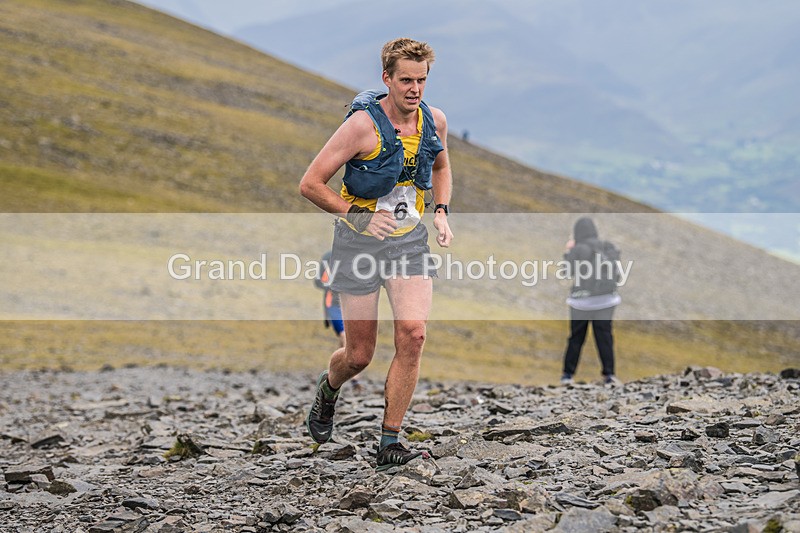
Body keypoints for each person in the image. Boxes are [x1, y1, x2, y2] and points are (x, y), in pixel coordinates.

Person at [299, 38, 453, 471]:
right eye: (406, 80)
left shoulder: (434, 121)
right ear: (386, 78)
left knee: (413, 334)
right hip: (358, 244)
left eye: (421, 80)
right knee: (359, 355)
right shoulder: (361, 127)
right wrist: (358, 217)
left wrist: (440, 212)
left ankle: (390, 440)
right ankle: (329, 389)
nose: (415, 89)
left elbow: (440, 167)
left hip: (408, 242)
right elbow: (310, 184)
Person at [560, 217, 621, 386]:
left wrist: (568, 252)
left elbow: (567, 272)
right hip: (607, 300)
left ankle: (567, 375)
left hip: (582, 302)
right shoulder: (607, 247)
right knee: (604, 336)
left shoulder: (578, 249)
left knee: (576, 337)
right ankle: (609, 375)